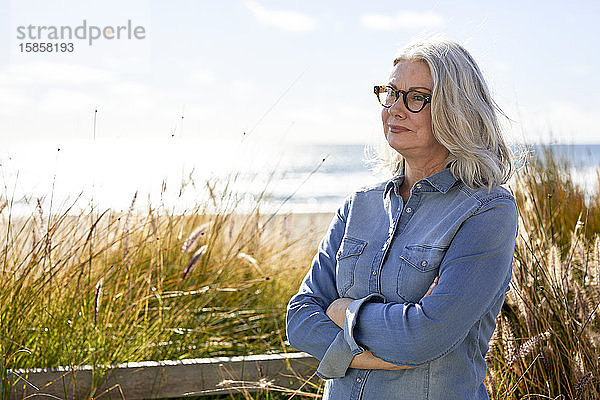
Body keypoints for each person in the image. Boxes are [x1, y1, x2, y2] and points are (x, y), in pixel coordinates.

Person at [286, 38, 518, 400]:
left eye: (415, 97)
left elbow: (425, 335)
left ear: (456, 110)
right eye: (391, 93)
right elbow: (299, 318)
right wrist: (374, 356)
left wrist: (342, 309)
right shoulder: (358, 206)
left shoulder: (486, 210)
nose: (395, 108)